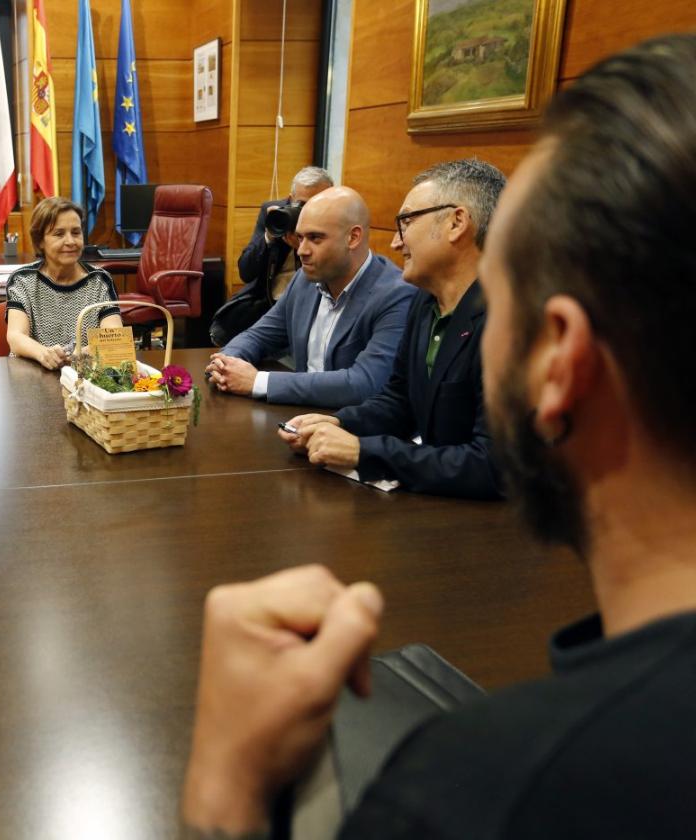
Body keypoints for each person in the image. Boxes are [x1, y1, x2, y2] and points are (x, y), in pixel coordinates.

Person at [182, 33, 696, 839]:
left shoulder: (472, 790)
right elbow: (385, 402)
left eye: (514, 288)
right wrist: (344, 426)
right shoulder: (415, 303)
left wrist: (226, 791)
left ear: (557, 358)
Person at [279, 159, 505, 499]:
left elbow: (493, 467)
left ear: (457, 223)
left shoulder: (512, 323)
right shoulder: (424, 303)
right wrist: (338, 425)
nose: (396, 242)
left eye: (407, 221)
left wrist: (363, 451)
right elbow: (399, 401)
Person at [206, 187, 414, 407]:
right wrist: (225, 364)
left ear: (353, 237)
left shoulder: (397, 294)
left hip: (353, 431)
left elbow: (363, 384)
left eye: (315, 238)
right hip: (299, 419)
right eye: (300, 238)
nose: (301, 251)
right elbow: (258, 335)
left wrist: (257, 381)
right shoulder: (304, 280)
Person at [210, 167, 335, 347]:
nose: (309, 211)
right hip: (268, 302)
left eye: (317, 204)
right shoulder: (276, 214)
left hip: (310, 306)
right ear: (290, 199)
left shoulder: (334, 220)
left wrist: (302, 247)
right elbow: (246, 272)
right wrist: (269, 235)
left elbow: (329, 280)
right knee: (227, 335)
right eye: (302, 204)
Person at [5, 196, 121, 370]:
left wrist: (87, 351)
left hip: (85, 377)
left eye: (76, 232)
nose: (70, 241)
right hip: (33, 377)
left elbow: (115, 335)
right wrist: (43, 353)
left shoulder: (100, 281)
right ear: (40, 241)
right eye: (59, 234)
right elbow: (15, 336)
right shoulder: (22, 280)